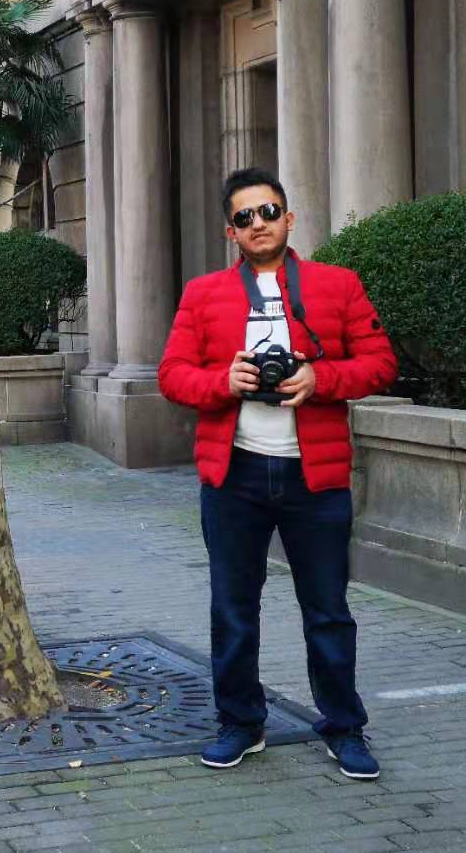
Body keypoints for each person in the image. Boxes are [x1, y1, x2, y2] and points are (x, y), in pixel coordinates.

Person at [158, 166, 397, 780]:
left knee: (328, 609)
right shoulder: (203, 294)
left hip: (314, 478)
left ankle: (344, 726)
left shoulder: (337, 285)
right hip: (233, 476)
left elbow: (380, 363)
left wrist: (321, 377)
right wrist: (223, 381)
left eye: (268, 212)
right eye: (244, 217)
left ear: (289, 219)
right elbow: (172, 375)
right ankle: (241, 722)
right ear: (230, 231)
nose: (258, 224)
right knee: (233, 608)